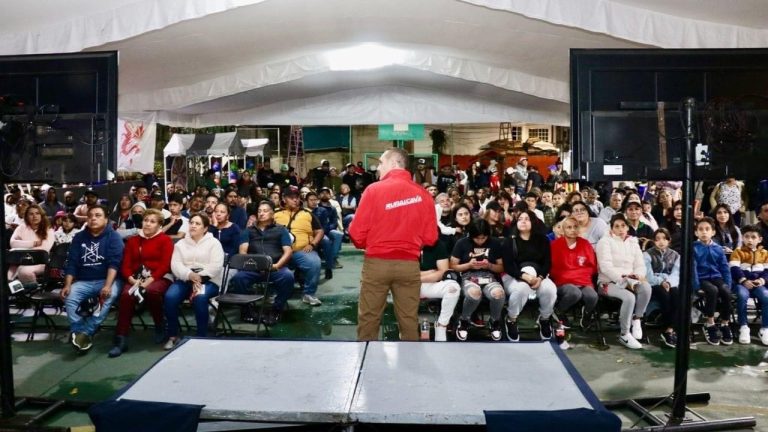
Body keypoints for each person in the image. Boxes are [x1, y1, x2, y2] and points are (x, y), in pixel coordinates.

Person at [349, 147, 438, 341]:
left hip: (377, 264)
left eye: (381, 163)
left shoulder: (373, 190)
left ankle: (366, 363)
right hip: (409, 265)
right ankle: (410, 364)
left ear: (394, 163)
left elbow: (356, 233)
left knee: (369, 318)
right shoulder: (423, 195)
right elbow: (431, 237)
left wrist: (370, 243)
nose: (377, 168)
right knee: (408, 319)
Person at [109, 209, 174, 357]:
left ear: (159, 225)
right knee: (126, 295)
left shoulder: (165, 240)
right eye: (146, 220)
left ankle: (159, 325)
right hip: (135, 278)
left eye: (152, 222)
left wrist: (148, 282)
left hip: (159, 277)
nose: (148, 224)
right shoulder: (133, 240)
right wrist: (132, 280)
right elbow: (125, 265)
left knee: (152, 291)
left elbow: (165, 265)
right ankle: (121, 338)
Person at [60, 205, 124, 353]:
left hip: (108, 279)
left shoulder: (114, 237)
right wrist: (67, 284)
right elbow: (72, 262)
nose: (93, 218)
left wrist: (107, 286)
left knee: (109, 295)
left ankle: (87, 331)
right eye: (90, 216)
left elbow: (114, 263)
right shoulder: (79, 237)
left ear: (106, 219)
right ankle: (78, 331)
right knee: (69, 296)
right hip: (84, 280)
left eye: (98, 215)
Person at [229, 200, 294, 326]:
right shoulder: (248, 231)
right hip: (253, 267)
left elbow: (288, 251)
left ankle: (277, 308)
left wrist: (277, 266)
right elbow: (243, 251)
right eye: (259, 211)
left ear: (272, 213)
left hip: (275, 267)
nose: (261, 214)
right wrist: (253, 265)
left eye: (265, 211)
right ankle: (247, 310)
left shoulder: (281, 230)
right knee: (238, 278)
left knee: (288, 277)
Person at [164, 214, 225, 349]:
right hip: (186, 278)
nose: (193, 226)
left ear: (205, 228)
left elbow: (216, 265)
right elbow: (176, 264)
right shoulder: (180, 243)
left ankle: (201, 336)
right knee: (170, 297)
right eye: (191, 223)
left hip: (209, 281)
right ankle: (173, 335)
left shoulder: (214, 243)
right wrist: (189, 274)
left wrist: (200, 277)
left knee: (200, 297)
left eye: (197, 224)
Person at [596, 214, 652, 350]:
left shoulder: (633, 242)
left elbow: (640, 264)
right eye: (617, 226)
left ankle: (637, 319)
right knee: (629, 297)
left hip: (630, 279)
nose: (620, 229)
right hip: (608, 282)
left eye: (623, 226)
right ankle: (624, 333)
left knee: (646, 288)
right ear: (612, 228)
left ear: (627, 227)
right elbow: (605, 266)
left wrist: (638, 276)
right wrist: (622, 280)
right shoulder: (604, 242)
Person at [501, 210, 557, 342]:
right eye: (520, 219)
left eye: (527, 219)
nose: (523, 221)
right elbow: (508, 266)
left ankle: (544, 319)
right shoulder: (510, 241)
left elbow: (547, 263)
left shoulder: (543, 240)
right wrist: (524, 277)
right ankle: (511, 319)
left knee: (550, 290)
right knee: (521, 290)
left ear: (533, 222)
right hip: (514, 275)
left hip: (539, 275)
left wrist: (540, 278)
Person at [451, 219, 504, 341]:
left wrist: (489, 266)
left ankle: (494, 321)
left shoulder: (495, 243)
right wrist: (468, 265)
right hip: (468, 276)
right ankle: (464, 320)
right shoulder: (462, 243)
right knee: (474, 293)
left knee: (498, 294)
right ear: (471, 235)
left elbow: (501, 267)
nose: (480, 241)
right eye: (477, 238)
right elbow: (452, 266)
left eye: (483, 238)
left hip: (489, 277)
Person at [274, 187, 324, 306]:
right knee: (270, 261)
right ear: (284, 199)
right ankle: (275, 293)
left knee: (314, 263)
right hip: (280, 251)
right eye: (291, 198)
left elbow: (320, 231)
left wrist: (312, 244)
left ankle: (309, 294)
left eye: (297, 198)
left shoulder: (307, 213)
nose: (295, 200)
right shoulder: (275, 214)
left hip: (301, 250)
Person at [550, 216, 599, 327]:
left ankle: (586, 315)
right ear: (562, 229)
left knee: (593, 296)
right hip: (562, 282)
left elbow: (592, 267)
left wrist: (577, 275)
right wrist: (574, 274)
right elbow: (553, 269)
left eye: (575, 227)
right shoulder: (554, 245)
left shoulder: (585, 244)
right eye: (569, 227)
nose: (572, 230)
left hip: (583, 281)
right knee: (574, 293)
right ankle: (558, 311)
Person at [694, 217, 734, 346]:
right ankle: (709, 323)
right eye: (700, 229)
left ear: (713, 232)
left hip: (716, 277)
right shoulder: (693, 247)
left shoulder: (718, 248)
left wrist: (728, 284)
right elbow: (692, 269)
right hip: (702, 278)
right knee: (712, 290)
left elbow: (724, 268)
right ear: (696, 233)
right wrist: (696, 286)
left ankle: (724, 323)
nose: (704, 232)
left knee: (726, 293)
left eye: (707, 229)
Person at [729, 225, 768, 346]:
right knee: (741, 296)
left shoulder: (765, 253)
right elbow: (734, 269)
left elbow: (767, 271)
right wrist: (744, 280)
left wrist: (762, 280)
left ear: (759, 239)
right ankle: (743, 327)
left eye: (753, 237)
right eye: (746, 237)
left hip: (758, 284)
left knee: (766, 297)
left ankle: (765, 328)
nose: (750, 240)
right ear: (743, 238)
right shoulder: (738, 251)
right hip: (742, 283)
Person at [643, 228, 681, 348]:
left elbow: (676, 273)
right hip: (654, 284)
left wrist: (668, 282)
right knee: (664, 295)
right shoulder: (647, 254)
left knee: (676, 294)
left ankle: (669, 329)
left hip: (670, 283)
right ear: (654, 241)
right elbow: (648, 276)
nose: (661, 241)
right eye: (657, 239)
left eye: (664, 238)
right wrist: (661, 281)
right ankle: (667, 329)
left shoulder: (675, 255)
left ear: (669, 240)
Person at [418, 239, 460, 342]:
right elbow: (405, 273)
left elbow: (443, 272)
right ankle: (409, 329)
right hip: (410, 285)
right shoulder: (406, 243)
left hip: (432, 283)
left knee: (453, 288)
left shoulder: (438, 244)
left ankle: (442, 326)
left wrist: (420, 276)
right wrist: (430, 272)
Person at [8, 204, 55, 284]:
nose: (35, 216)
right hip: (20, 261)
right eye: (31, 214)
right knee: (8, 277)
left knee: (24, 271)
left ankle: (34, 293)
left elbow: (43, 250)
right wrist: (34, 243)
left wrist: (21, 246)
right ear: (26, 216)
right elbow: (13, 244)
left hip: (40, 262)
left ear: (41, 215)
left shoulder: (48, 230)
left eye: (37, 213)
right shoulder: (21, 228)